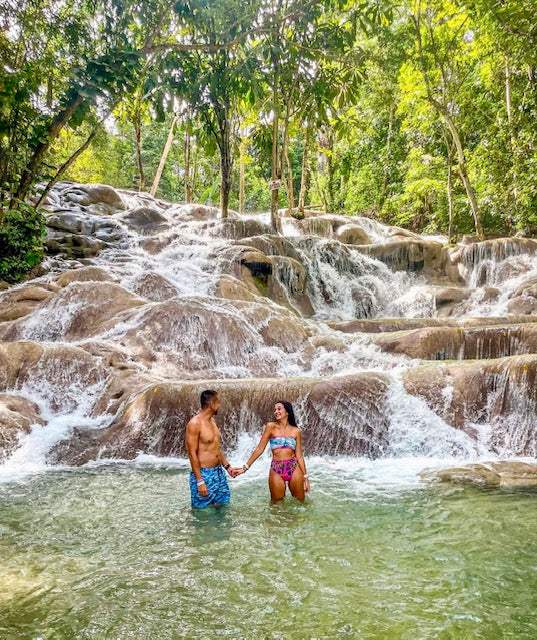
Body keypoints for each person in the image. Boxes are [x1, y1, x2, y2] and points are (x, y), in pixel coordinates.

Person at [239, 401, 310, 501]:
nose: (276, 411)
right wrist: (245, 468)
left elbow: (299, 456)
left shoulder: (296, 431)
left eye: (279, 409)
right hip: (276, 468)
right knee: (276, 506)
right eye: (275, 410)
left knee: (300, 503)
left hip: (294, 467)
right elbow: (260, 449)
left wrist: (306, 478)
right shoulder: (270, 427)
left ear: (287, 412)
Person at [185, 389, 241, 508]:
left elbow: (216, 448)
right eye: (218, 402)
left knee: (223, 508)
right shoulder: (195, 423)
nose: (219, 405)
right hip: (204, 474)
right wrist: (200, 481)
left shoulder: (212, 421)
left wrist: (228, 467)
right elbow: (192, 454)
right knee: (202, 512)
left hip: (218, 472)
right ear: (212, 404)